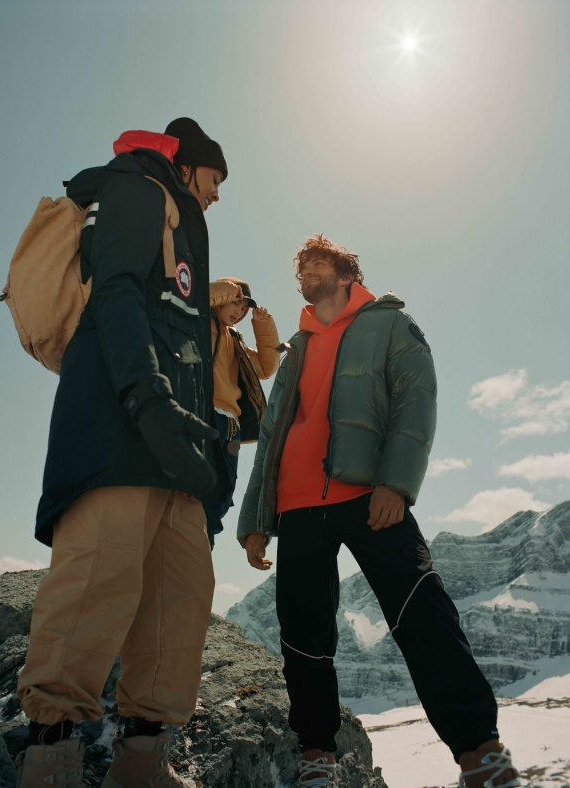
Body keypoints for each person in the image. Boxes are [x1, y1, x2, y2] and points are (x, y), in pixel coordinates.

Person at [237, 235, 520, 788]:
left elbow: (416, 398)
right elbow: (271, 435)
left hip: (370, 496)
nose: (306, 275)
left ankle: (479, 752)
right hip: (297, 505)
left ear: (347, 275)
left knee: (424, 612)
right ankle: (316, 755)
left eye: (318, 265)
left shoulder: (390, 323)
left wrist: (396, 483)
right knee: (303, 633)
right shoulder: (297, 348)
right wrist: (256, 521)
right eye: (301, 270)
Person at [16, 118, 229, 788]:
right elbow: (116, 291)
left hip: (174, 445)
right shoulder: (138, 188)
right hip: (117, 424)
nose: (218, 193)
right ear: (187, 164)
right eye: (215, 177)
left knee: (179, 598)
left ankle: (141, 761)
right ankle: (50, 758)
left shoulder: (184, 225)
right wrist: (147, 397)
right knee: (95, 583)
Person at [204, 277, 280, 547]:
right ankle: (191, 539)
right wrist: (227, 289)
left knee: (223, 490)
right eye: (235, 303)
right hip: (202, 415)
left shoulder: (235, 338)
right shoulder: (198, 321)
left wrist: (262, 324)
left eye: (244, 308)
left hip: (230, 426)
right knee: (195, 487)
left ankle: (203, 542)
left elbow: (267, 368)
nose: (239, 311)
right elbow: (197, 299)